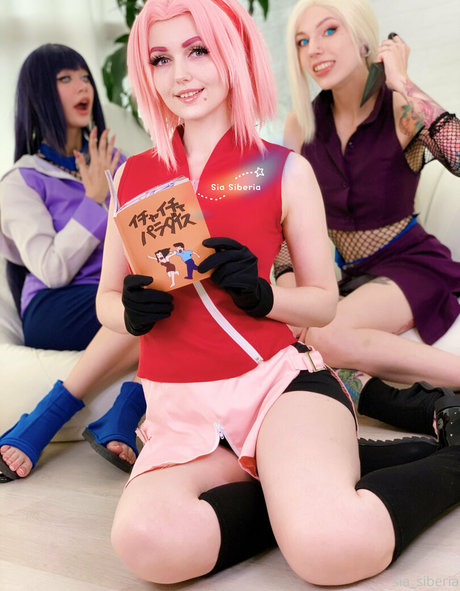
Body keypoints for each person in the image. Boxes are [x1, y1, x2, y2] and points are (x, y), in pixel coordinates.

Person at [95, 0, 460, 585]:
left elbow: (323, 302)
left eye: (198, 50)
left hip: (277, 388)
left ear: (234, 54)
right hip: (181, 410)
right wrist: (129, 314)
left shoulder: (283, 168)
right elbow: (106, 301)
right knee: (147, 544)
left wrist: (265, 296)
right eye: (161, 59)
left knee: (333, 549)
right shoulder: (131, 176)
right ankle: (301, 486)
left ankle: (452, 460)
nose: (180, 74)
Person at [278, 0, 460, 394]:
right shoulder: (301, 125)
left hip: (412, 264)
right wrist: (290, 294)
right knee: (293, 341)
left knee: (325, 337)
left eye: (329, 31)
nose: (314, 49)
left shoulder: (399, 107)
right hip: (347, 278)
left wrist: (402, 80)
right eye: (302, 41)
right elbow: (283, 221)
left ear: (363, 39)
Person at [0, 44, 146, 482]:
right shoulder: (21, 180)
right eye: (65, 78)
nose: (83, 86)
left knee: (174, 299)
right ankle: (66, 416)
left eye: (84, 76)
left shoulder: (117, 164)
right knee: (153, 308)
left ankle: (119, 415)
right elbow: (51, 268)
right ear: (39, 95)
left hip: (116, 294)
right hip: (56, 306)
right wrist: (94, 199)